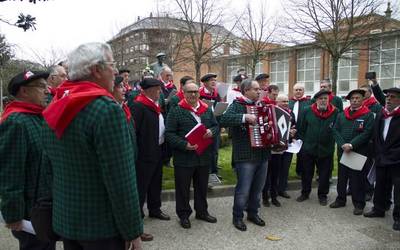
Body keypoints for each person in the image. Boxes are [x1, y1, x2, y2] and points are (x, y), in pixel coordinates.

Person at [42, 42, 143, 250]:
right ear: (96, 70)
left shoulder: (57, 104)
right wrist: (133, 231)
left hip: (68, 222)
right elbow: (121, 180)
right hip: (102, 227)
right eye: (112, 64)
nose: (116, 71)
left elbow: (49, 168)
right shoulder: (106, 110)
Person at [0, 70, 55, 250]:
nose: (47, 91)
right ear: (24, 91)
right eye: (41, 87)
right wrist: (14, 214)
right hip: (29, 212)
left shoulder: (37, 117)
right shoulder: (16, 121)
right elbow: (10, 172)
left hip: (43, 206)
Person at [165, 82, 218, 229]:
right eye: (190, 92)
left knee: (201, 187)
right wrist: (184, 145)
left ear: (199, 93)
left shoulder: (206, 109)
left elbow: (215, 126)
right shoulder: (176, 111)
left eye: (195, 91)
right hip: (184, 157)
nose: (193, 94)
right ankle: (183, 215)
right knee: (183, 188)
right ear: (183, 93)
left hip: (203, 156)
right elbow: (169, 134)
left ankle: (202, 211)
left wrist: (211, 132)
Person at [220, 79, 269, 232]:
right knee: (243, 190)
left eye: (259, 89)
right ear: (246, 90)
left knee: (257, 188)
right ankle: (237, 217)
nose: (258, 91)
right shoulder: (237, 105)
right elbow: (223, 119)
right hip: (245, 155)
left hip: (262, 153)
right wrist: (244, 117)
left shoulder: (262, 106)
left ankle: (253, 213)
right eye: (255, 89)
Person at [112, 76, 153, 242]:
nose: (124, 89)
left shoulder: (124, 107)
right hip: (120, 162)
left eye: (124, 86)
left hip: (133, 158)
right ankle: (132, 231)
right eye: (120, 86)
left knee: (135, 194)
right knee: (127, 196)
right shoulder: (112, 111)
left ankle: (135, 228)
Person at [130, 78, 171, 223]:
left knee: (156, 182)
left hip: (158, 149)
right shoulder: (138, 106)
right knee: (142, 185)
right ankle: (138, 213)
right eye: (157, 88)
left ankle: (155, 209)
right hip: (145, 153)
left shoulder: (155, 104)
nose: (160, 91)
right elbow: (134, 132)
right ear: (148, 90)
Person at [330, 89, 374, 216]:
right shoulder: (341, 115)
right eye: (352, 98)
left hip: (357, 152)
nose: (355, 100)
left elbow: (367, 133)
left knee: (357, 180)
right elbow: (335, 130)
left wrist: (352, 144)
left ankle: (359, 204)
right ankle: (340, 199)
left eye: (358, 98)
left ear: (362, 100)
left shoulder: (368, 115)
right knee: (342, 178)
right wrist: (342, 144)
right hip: (343, 151)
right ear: (349, 100)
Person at [364, 82, 400, 231]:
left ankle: (398, 217)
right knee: (380, 185)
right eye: (387, 96)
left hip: (397, 159)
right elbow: (376, 134)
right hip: (381, 156)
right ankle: (379, 208)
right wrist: (376, 150)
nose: (388, 99)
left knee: (398, 190)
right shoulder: (382, 113)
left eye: (392, 97)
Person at [296, 90, 338, 206]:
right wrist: (305, 144)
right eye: (321, 99)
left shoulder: (335, 112)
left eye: (325, 98)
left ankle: (322, 195)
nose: (323, 101)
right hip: (308, 148)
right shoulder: (307, 111)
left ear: (329, 100)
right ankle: (305, 192)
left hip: (326, 149)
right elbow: (301, 129)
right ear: (316, 100)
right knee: (306, 172)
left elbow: (336, 129)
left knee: (324, 174)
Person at [199, 73, 221, 181]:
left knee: (215, 150)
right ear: (205, 83)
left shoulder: (216, 94)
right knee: (205, 150)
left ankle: (214, 172)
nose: (214, 82)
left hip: (215, 124)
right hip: (204, 125)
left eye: (214, 80)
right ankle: (205, 172)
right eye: (211, 80)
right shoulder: (199, 93)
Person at [289, 83, 311, 176]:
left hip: (303, 131)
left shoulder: (308, 103)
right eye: (296, 90)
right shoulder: (289, 102)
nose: (298, 91)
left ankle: (300, 171)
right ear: (293, 91)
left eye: (300, 90)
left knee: (303, 154)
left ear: (303, 91)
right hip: (290, 131)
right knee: (288, 153)